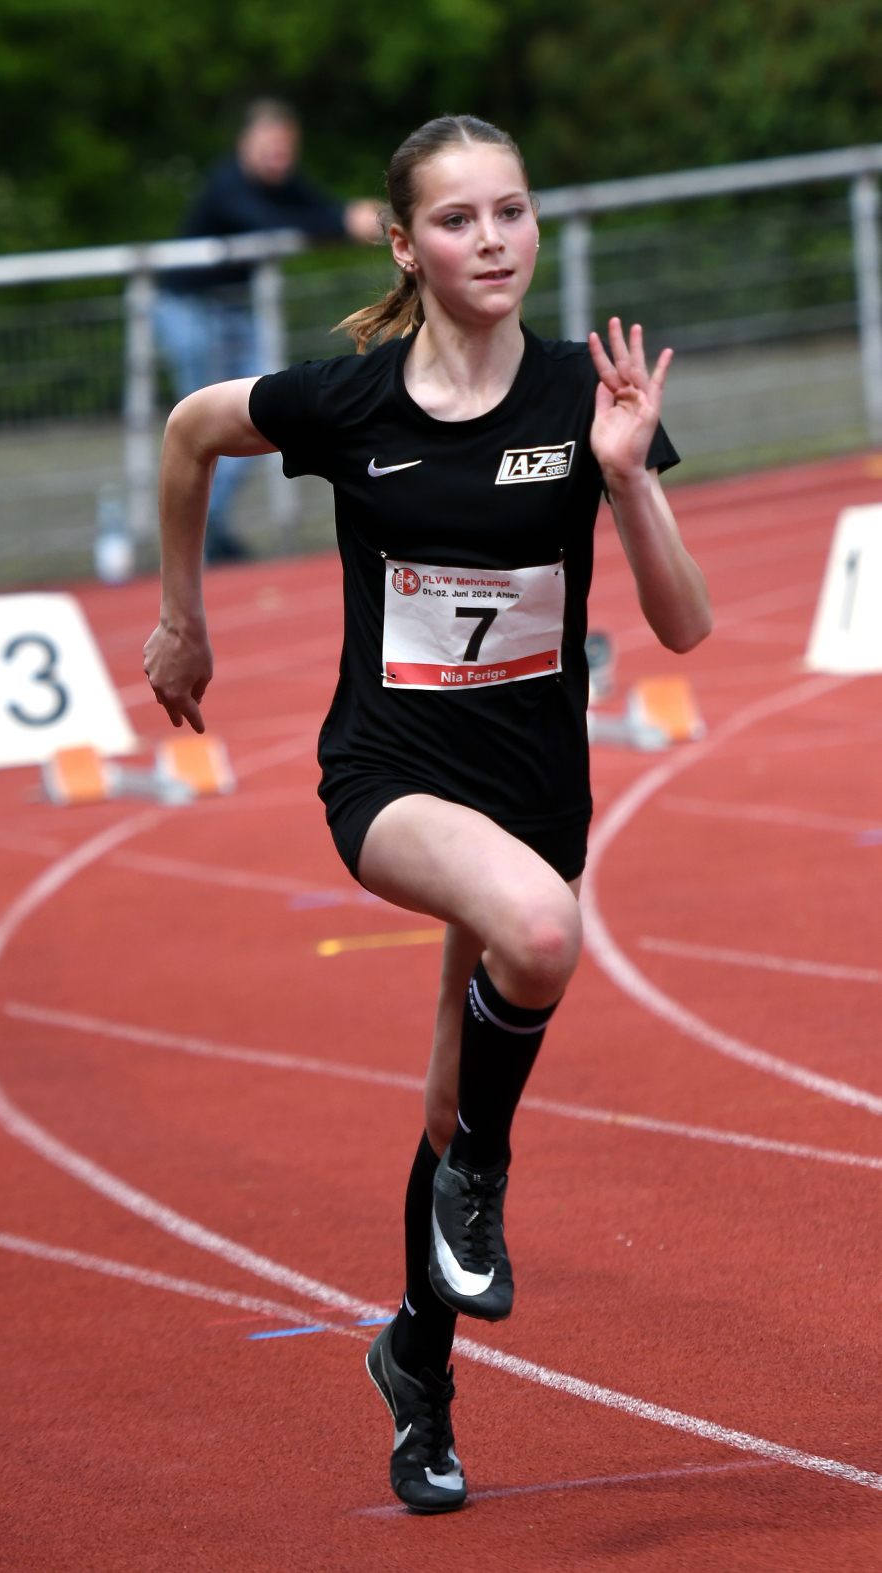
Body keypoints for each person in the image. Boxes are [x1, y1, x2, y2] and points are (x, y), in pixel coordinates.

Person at [143, 114, 711, 1514]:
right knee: (538, 929)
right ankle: (484, 1182)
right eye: (458, 221)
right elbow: (189, 426)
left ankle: (419, 1374)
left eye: (511, 212)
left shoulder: (588, 388)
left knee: (453, 1089)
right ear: (405, 245)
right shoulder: (352, 404)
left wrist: (628, 477)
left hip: (534, 785)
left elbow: (687, 631)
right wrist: (180, 623)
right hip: (390, 774)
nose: (494, 241)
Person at [154, 98, 379, 562]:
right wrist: (342, 222)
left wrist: (352, 217)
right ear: (246, 144)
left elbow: (319, 209)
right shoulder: (227, 185)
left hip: (232, 312)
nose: (279, 157)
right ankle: (200, 530)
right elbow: (273, 225)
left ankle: (210, 525)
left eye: (285, 149)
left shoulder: (283, 182)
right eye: (270, 147)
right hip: (187, 309)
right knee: (202, 421)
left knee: (260, 412)